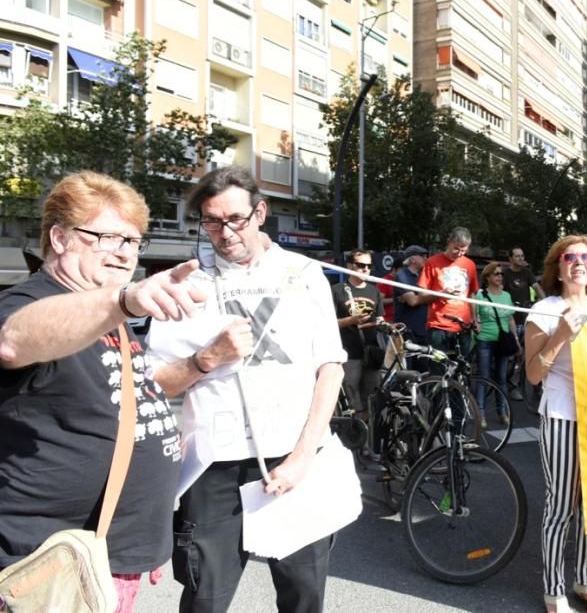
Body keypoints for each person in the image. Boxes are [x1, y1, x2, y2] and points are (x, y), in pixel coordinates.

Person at [0, 171, 207, 611]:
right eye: (106, 237)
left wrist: (202, 363)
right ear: (59, 238)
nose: (124, 253)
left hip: (106, 555)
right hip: (45, 563)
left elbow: (123, 400)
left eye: (133, 242)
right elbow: (13, 339)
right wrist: (125, 301)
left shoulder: (107, 315)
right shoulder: (31, 301)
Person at [146, 167, 346, 613]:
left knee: (304, 596)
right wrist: (208, 358)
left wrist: (301, 457)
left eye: (235, 218)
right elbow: (155, 384)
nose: (224, 232)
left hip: (292, 459)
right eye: (212, 221)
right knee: (205, 599)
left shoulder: (305, 273)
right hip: (213, 465)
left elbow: (329, 369)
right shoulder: (186, 284)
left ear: (260, 213)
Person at [525, 235, 587, 613]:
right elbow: (533, 374)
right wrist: (561, 335)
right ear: (558, 267)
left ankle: (586, 581)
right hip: (563, 414)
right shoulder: (544, 310)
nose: (579, 262)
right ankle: (553, 589)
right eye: (570, 257)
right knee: (560, 505)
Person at [332, 249, 385, 419]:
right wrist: (350, 321)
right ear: (349, 266)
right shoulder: (337, 290)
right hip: (349, 352)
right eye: (361, 265)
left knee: (371, 397)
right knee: (351, 398)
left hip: (372, 351)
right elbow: (327, 323)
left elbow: (380, 318)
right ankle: (352, 437)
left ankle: (369, 438)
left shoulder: (374, 291)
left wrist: (383, 325)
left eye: (369, 266)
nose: (366, 269)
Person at [417, 227, 479, 360]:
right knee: (438, 367)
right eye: (456, 248)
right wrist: (441, 294)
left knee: (461, 369)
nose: (459, 253)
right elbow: (421, 297)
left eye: (464, 250)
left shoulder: (470, 265)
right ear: (449, 242)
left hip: (463, 325)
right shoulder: (432, 262)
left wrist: (475, 319)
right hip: (438, 325)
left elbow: (472, 295)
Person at [474, 262, 518, 427]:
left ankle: (502, 412)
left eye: (501, 274)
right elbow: (474, 317)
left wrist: (515, 339)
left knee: (502, 378)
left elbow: (510, 318)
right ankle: (481, 414)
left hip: (503, 341)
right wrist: (476, 328)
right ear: (487, 277)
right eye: (496, 274)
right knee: (483, 378)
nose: (500, 277)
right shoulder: (480, 296)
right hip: (485, 340)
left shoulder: (506, 296)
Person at [502, 247, 544, 400]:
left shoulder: (527, 273)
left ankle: (523, 386)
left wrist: (544, 303)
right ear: (510, 259)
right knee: (511, 355)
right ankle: (505, 384)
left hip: (526, 318)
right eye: (517, 256)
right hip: (510, 319)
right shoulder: (505, 274)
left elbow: (536, 287)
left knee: (526, 355)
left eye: (522, 255)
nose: (521, 259)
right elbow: (500, 291)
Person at [394, 244, 429, 345]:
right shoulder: (402, 275)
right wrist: (436, 295)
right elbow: (412, 301)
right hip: (407, 330)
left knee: (424, 359)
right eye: (422, 256)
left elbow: (415, 299)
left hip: (423, 329)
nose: (426, 258)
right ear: (412, 259)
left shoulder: (424, 275)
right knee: (407, 360)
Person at [377, 256, 402, 323]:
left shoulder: (404, 280)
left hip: (403, 320)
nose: (404, 272)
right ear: (394, 269)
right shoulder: (384, 281)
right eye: (402, 270)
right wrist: (396, 299)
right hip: (389, 321)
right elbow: (379, 301)